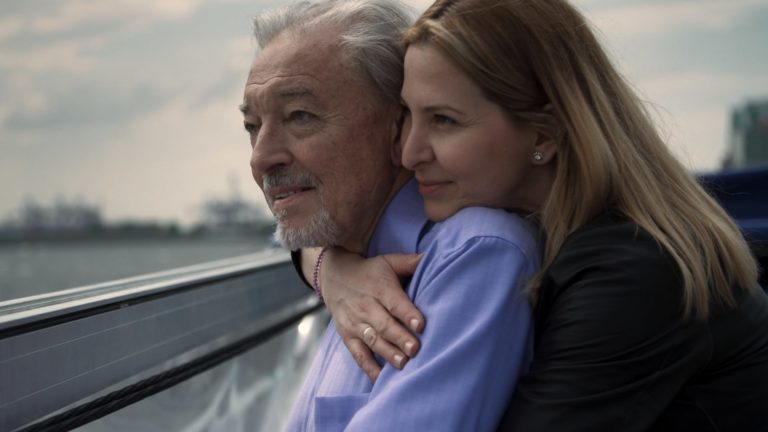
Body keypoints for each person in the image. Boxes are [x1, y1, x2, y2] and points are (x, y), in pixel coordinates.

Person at [308, 0, 768, 430]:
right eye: (408, 114)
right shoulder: (553, 221)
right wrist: (332, 269)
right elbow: (310, 233)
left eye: (444, 120)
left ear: (544, 136)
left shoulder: (633, 273)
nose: (409, 153)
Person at [241, 0, 541, 430]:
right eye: (253, 126)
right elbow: (286, 245)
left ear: (398, 127)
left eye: (299, 116)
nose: (260, 158)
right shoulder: (353, 254)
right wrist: (328, 268)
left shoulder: (476, 253)